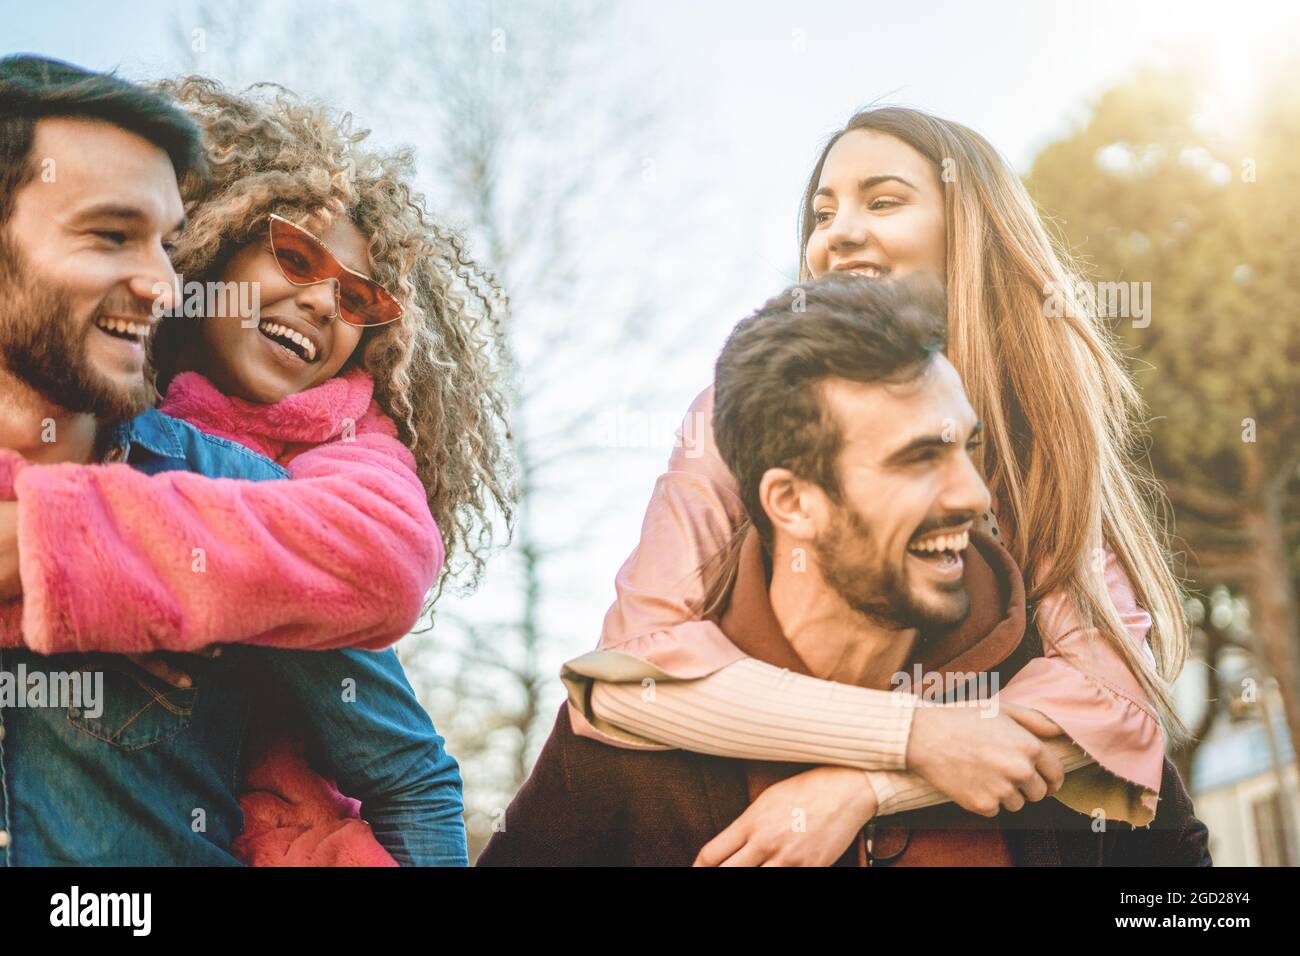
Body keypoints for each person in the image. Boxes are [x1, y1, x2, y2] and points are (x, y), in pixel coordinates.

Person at [561, 108, 1187, 857]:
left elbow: (1110, 697)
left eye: (883, 201)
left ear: (970, 230)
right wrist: (911, 737)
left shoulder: (1039, 432)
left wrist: (860, 789)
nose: (839, 232)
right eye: (822, 214)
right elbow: (631, 672)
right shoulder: (742, 416)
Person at [479, 274, 1210, 867]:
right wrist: (913, 739)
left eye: (969, 449)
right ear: (792, 502)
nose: (975, 496)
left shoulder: (1053, 705)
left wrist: (871, 784)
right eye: (919, 459)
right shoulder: (617, 759)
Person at [0, 59, 511, 865]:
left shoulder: (308, 453)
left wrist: (90, 557)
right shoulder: (115, 401)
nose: (320, 301)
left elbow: (384, 564)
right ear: (215, 254)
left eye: (358, 299)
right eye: (297, 259)